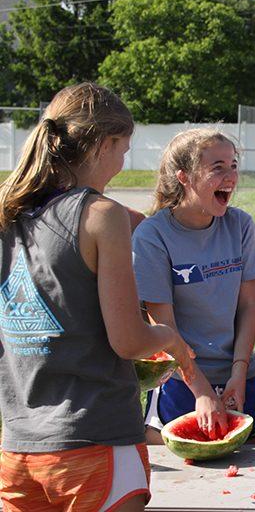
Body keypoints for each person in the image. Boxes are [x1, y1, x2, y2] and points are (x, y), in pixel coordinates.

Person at [0, 83, 193, 512]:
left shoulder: (7, 211)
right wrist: (171, 340)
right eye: (123, 149)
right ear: (104, 144)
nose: (123, 163)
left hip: (18, 449)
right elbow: (129, 340)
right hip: (96, 441)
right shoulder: (102, 216)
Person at [133, 128, 255, 444]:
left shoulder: (240, 225)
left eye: (233, 165)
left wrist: (239, 373)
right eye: (218, 167)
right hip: (181, 381)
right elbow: (163, 324)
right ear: (184, 177)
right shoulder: (152, 236)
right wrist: (201, 390)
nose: (231, 176)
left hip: (241, 377)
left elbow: (248, 307)